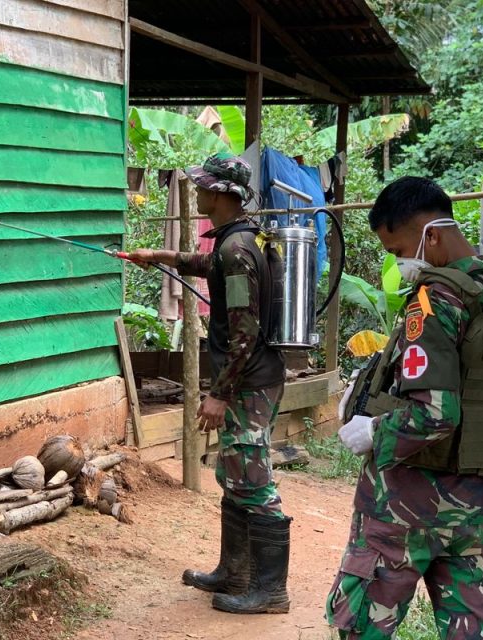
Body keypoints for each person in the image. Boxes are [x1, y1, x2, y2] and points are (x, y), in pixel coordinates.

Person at [328, 177, 483, 639]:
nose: (398, 261)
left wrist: (373, 430)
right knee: (479, 631)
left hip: (407, 502)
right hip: (475, 503)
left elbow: (435, 413)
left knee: (362, 625)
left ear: (433, 235)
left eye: (398, 248)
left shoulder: (433, 301)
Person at [129, 152, 291, 615]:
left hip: (249, 380)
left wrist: (218, 393)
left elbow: (243, 331)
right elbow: (210, 267)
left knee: (253, 477)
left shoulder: (237, 251)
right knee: (236, 473)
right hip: (255, 375)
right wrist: (159, 256)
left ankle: (270, 590)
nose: (197, 193)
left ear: (221, 194)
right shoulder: (240, 240)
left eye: (202, 187)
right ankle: (234, 572)